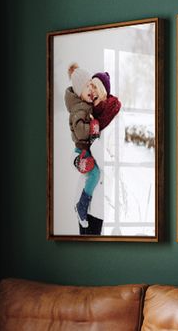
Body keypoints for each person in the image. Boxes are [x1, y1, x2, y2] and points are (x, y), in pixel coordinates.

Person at [79, 71, 121, 235]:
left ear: (104, 90)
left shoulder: (115, 121)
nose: (92, 90)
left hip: (98, 204)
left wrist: (95, 139)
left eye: (95, 86)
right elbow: (80, 149)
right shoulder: (90, 116)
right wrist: (76, 160)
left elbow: (112, 166)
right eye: (90, 86)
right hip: (82, 200)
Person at [65, 63, 102, 229]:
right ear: (79, 90)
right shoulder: (79, 109)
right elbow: (80, 132)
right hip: (81, 149)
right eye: (87, 86)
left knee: (93, 172)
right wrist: (93, 130)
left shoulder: (83, 106)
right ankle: (82, 204)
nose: (91, 89)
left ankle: (82, 202)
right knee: (95, 174)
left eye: (91, 85)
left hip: (84, 150)